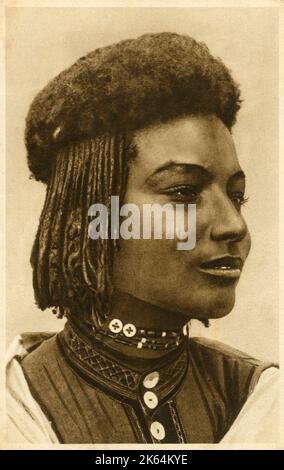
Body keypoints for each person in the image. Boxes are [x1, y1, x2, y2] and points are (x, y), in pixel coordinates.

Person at [6, 32, 279, 444]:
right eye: (185, 192)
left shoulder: (255, 395)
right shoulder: (20, 406)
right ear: (94, 213)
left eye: (237, 197)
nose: (234, 226)